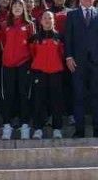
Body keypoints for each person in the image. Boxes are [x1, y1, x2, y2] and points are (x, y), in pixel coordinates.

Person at [64, 0, 98, 138]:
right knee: (78, 95)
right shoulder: (72, 15)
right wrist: (68, 57)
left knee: (97, 94)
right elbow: (68, 38)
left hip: (97, 61)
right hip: (78, 62)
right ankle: (79, 129)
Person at [0, 0, 35, 139]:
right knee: (8, 95)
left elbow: (32, 44)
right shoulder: (4, 25)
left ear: (24, 8)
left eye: (20, 6)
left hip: (24, 64)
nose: (17, 8)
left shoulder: (29, 25)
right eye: (15, 6)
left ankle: (24, 125)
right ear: (11, 9)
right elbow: (2, 43)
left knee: (24, 94)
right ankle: (7, 125)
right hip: (7, 65)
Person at [30, 10, 67, 138]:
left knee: (56, 101)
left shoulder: (59, 37)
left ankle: (57, 128)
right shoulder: (35, 38)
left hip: (56, 72)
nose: (47, 20)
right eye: (44, 18)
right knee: (39, 100)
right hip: (39, 72)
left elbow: (62, 54)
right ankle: (38, 128)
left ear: (54, 21)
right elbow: (32, 53)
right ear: (40, 21)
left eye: (50, 18)